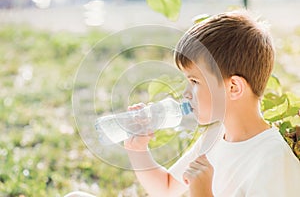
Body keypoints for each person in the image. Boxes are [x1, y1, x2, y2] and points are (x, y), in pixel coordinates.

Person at [65, 10, 300, 197]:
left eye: (195, 81)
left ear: (233, 87)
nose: (187, 93)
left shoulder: (272, 160)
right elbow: (165, 188)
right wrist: (138, 150)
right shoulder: (216, 137)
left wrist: (202, 193)